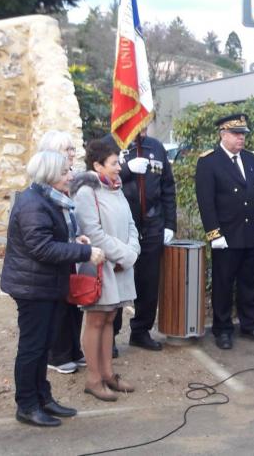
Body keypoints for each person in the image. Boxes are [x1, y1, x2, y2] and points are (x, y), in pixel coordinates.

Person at [1, 150, 105, 427]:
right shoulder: (33, 204)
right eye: (64, 172)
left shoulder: (48, 198)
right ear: (49, 175)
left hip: (47, 284)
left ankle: (43, 398)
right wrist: (84, 253)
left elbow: (52, 237)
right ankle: (27, 405)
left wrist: (75, 239)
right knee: (32, 348)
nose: (70, 176)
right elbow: (41, 247)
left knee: (43, 344)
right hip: (32, 287)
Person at [195, 113, 254, 350]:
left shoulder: (250, 159)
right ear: (223, 134)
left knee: (249, 283)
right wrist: (214, 234)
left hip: (249, 232)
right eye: (236, 134)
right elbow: (206, 202)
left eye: (243, 135)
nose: (241, 139)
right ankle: (223, 329)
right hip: (226, 236)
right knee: (223, 284)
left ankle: (249, 325)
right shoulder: (209, 161)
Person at [72, 140, 141, 402]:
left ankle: (109, 374)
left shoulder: (115, 187)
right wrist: (125, 254)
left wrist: (132, 251)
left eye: (119, 161)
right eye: (114, 163)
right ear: (97, 165)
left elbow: (131, 223)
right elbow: (92, 233)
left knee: (111, 317)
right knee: (96, 320)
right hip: (101, 265)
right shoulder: (86, 191)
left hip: (121, 265)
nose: (119, 167)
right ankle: (93, 378)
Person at [101, 130, 177, 353]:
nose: (141, 127)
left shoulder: (155, 146)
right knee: (115, 280)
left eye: (145, 121)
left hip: (152, 223)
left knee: (148, 281)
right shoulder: (107, 145)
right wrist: (125, 170)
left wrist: (170, 224)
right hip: (120, 225)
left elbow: (167, 187)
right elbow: (97, 183)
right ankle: (110, 336)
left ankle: (141, 331)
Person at [38, 131, 85, 375]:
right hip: (54, 256)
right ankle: (57, 354)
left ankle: (73, 348)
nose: (71, 154)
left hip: (69, 250)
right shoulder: (45, 187)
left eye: (71, 149)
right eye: (65, 149)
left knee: (73, 303)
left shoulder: (69, 179)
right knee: (58, 306)